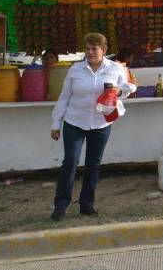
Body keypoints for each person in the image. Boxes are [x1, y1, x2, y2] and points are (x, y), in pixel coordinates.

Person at [50, 33, 134, 221]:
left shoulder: (115, 68)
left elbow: (128, 87)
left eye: (94, 49)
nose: (90, 52)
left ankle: (86, 205)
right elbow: (64, 97)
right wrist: (56, 124)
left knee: (93, 164)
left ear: (103, 50)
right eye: (87, 49)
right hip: (74, 121)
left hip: (101, 123)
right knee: (70, 161)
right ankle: (61, 205)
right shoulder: (75, 69)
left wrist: (119, 91)